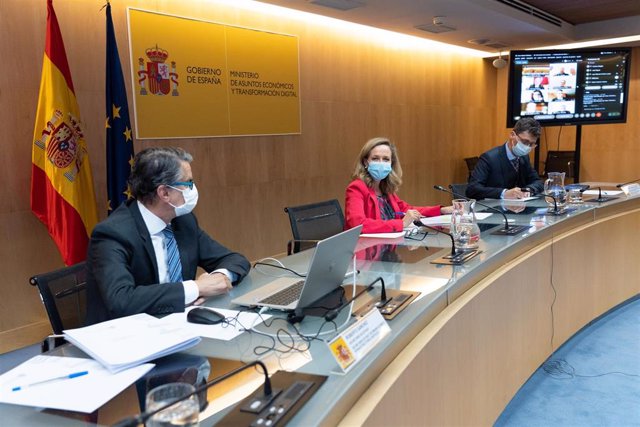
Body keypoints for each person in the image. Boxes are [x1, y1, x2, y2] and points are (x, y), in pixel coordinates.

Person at [85, 147, 250, 324]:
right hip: (127, 335)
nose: (193, 189)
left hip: (180, 325)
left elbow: (235, 260)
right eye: (188, 184)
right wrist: (196, 288)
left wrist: (219, 276)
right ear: (164, 193)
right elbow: (121, 300)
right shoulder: (113, 234)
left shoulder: (183, 221)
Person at [344, 137, 452, 233]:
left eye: (386, 159)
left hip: (388, 246)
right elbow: (358, 225)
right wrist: (401, 224)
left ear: (392, 163)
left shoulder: (385, 188)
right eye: (375, 158)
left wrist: (441, 210)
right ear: (365, 162)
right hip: (364, 249)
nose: (381, 163)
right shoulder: (356, 188)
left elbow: (405, 209)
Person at [466, 118, 544, 200]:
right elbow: (472, 190)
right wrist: (504, 193)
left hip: (519, 208)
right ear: (512, 135)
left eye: (531, 144)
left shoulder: (524, 158)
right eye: (525, 142)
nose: (527, 147)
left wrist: (528, 190)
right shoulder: (489, 158)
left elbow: (538, 182)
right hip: (493, 209)